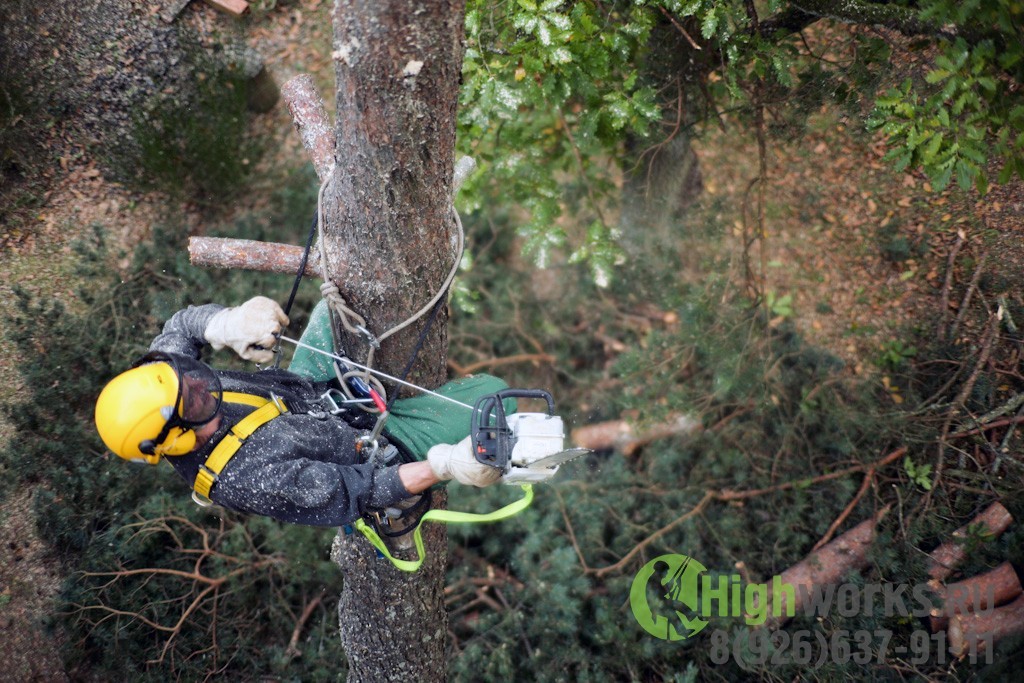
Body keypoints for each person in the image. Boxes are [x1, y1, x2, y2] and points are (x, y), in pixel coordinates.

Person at [94, 296, 504, 527]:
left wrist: (226, 322)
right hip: (373, 449)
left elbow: (180, 328)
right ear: (178, 436)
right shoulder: (246, 479)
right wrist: (444, 466)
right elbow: (359, 491)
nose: (201, 384)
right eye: (194, 399)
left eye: (190, 375)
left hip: (308, 389)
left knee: (341, 299)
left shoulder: (163, 381)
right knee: (494, 394)